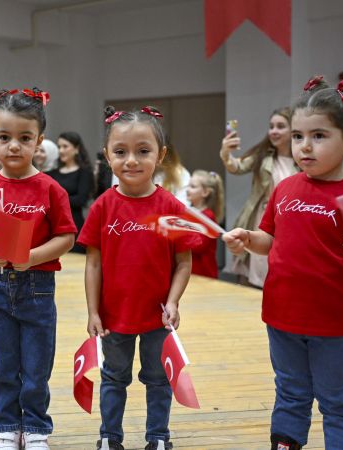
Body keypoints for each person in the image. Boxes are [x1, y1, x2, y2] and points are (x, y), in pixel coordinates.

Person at [222, 68, 343, 450]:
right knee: (291, 396)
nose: (304, 147)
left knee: (337, 403)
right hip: (283, 318)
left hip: (338, 326)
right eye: (298, 137)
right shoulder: (285, 188)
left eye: (318, 136)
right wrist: (248, 239)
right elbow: (269, 240)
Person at [78, 106, 198, 450]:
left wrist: (173, 301)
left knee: (159, 379)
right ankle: (109, 437)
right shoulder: (102, 206)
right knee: (113, 378)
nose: (131, 160)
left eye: (142, 151)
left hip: (158, 318)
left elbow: (184, 262)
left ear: (160, 156)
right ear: (107, 156)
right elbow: (93, 264)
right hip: (114, 318)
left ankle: (158, 437)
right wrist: (93, 311)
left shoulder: (172, 207)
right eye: (120, 152)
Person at [0, 88, 76, 450]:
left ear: (39, 141)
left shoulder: (50, 189)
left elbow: (67, 238)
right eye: (5, 137)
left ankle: (37, 428)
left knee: (36, 367)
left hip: (37, 288)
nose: (14, 146)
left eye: (24, 138)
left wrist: (33, 256)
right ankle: (8, 428)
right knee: (3, 366)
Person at [220, 107, 296, 287]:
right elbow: (236, 167)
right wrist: (226, 153)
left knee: (283, 271)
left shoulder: (302, 160)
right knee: (257, 270)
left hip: (290, 222)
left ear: (293, 130)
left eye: (280, 126)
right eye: (271, 126)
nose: (274, 131)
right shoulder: (263, 156)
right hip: (262, 219)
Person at [47, 132, 94, 253]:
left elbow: (81, 199)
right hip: (53, 226)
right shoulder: (52, 173)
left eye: (65, 146)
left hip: (75, 225)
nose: (61, 150)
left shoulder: (84, 172)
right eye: (59, 147)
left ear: (76, 149)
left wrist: (56, 200)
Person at [186, 170, 224, 278]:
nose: (187, 190)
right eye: (188, 186)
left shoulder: (208, 216)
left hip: (203, 273)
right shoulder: (189, 213)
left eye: (192, 187)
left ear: (205, 192)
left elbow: (199, 246)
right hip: (190, 272)